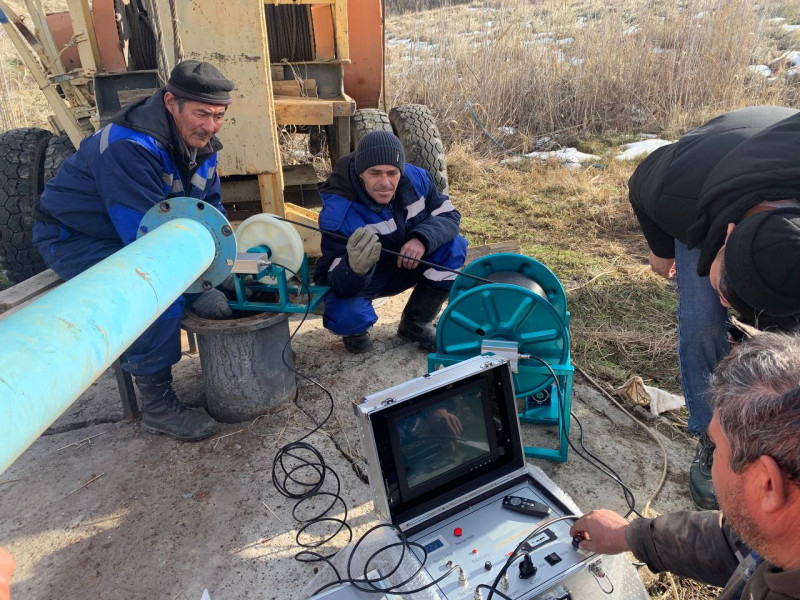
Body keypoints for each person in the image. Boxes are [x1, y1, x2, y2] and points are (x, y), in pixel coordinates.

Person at [32, 60, 235, 442]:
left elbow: (210, 212)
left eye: (218, 116)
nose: (209, 126)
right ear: (172, 102)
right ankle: (157, 405)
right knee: (151, 289)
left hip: (127, 229)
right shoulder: (130, 146)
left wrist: (219, 273)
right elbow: (146, 248)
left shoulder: (202, 144)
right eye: (201, 113)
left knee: (186, 281)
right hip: (73, 237)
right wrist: (193, 285)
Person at [628, 106, 800, 509]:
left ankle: (781, 435)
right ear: (728, 233)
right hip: (707, 169)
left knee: (789, 338)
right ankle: (710, 438)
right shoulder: (676, 192)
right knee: (703, 319)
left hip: (779, 170)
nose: (727, 302)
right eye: (725, 287)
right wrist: (661, 250)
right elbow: (639, 182)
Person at [569, 331, 800, 599]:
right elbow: (729, 543)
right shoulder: (779, 535)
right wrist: (629, 535)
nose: (711, 463)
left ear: (767, 484)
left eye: (715, 448)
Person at [314, 130, 468, 353]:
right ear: (360, 173)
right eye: (374, 173)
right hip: (367, 278)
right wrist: (355, 269)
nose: (385, 182)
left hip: (408, 263)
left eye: (392, 173)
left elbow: (448, 215)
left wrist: (421, 239)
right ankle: (355, 334)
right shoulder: (339, 211)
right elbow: (336, 280)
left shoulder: (419, 179)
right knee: (347, 314)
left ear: (401, 171)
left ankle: (414, 324)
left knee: (455, 246)